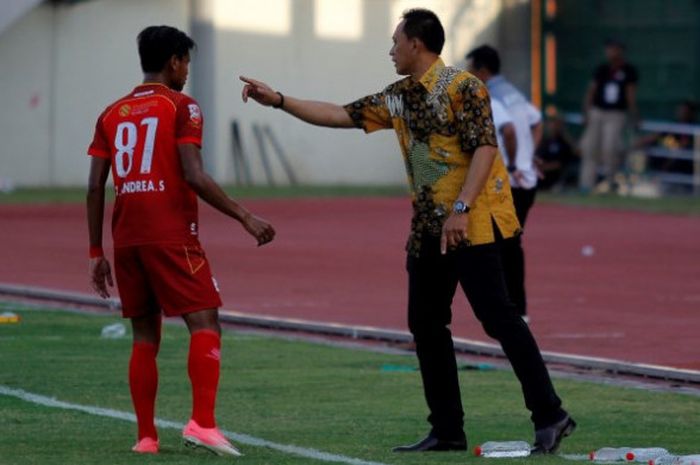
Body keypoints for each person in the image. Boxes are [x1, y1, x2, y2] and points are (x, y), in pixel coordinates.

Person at [240, 8, 574, 454]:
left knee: (498, 318)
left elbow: (485, 149)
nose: (390, 50)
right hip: (428, 228)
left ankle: (550, 414)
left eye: (395, 42)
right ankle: (448, 430)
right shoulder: (397, 97)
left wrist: (460, 208)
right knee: (426, 323)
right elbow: (340, 114)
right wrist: (279, 99)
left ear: (416, 43)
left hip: (471, 223)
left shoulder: (463, 87)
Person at [86, 25, 275, 456]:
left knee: (144, 336)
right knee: (206, 322)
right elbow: (193, 174)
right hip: (170, 235)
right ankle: (202, 423)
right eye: (186, 61)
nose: (187, 70)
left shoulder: (110, 113)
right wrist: (244, 216)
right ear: (174, 61)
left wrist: (96, 252)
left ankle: (146, 438)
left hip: (126, 239)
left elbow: (96, 187)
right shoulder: (182, 107)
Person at [466, 45, 543, 321]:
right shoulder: (514, 93)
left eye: (471, 69)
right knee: (509, 245)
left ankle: (511, 309)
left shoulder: (490, 96)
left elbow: (509, 131)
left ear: (483, 71)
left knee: (499, 247)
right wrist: (529, 155)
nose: (468, 75)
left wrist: (512, 164)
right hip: (527, 181)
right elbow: (536, 121)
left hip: (508, 182)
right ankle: (514, 309)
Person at [579, 39, 639, 192]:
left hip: (616, 113)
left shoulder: (628, 70)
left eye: (614, 49)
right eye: (608, 49)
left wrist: (634, 115)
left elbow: (630, 94)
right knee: (590, 148)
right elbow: (591, 91)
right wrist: (586, 112)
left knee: (610, 147)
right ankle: (586, 184)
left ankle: (610, 182)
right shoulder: (602, 69)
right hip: (598, 111)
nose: (610, 53)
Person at [535, 113, 577, 191]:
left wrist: (544, 167)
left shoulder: (564, 142)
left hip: (555, 177)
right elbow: (538, 157)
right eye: (552, 123)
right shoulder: (546, 141)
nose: (553, 126)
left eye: (557, 124)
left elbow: (561, 163)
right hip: (541, 175)